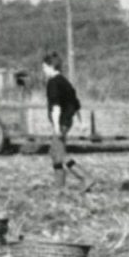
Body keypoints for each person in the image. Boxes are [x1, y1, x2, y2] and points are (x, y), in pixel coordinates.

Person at [39, 52, 87, 188]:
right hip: (67, 121)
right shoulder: (65, 82)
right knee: (55, 153)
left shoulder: (53, 83)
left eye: (44, 67)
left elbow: (56, 107)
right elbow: (76, 104)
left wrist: (56, 127)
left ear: (50, 66)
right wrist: (82, 122)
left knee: (58, 154)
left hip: (61, 123)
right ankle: (59, 186)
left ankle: (85, 177)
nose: (43, 70)